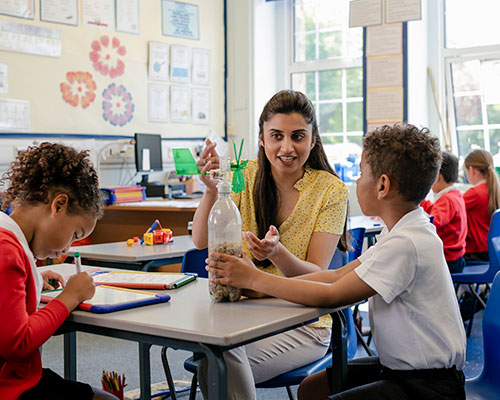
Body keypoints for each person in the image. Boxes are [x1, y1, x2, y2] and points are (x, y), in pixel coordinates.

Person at [206, 124, 466, 400]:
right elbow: (337, 275)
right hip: (403, 370)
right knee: (312, 389)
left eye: (361, 172)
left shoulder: (407, 244)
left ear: (382, 185)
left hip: (429, 385)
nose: (356, 180)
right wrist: (262, 287)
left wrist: (254, 278)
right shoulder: (400, 231)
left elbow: (332, 295)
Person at [192, 90, 349, 399]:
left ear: (313, 140)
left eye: (298, 137)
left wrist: (279, 255)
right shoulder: (243, 174)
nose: (286, 148)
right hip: (243, 311)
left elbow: (317, 273)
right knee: (217, 355)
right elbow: (200, 239)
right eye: (276, 136)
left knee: (218, 360)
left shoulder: (331, 190)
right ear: (262, 138)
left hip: (304, 321)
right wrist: (211, 191)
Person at [0, 143, 117, 400]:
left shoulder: (7, 237)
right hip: (11, 387)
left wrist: (31, 280)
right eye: (75, 234)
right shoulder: (7, 249)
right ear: (58, 205)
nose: (68, 247)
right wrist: (70, 297)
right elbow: (17, 344)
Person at [421, 151, 467, 273]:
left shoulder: (447, 200)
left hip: (449, 260)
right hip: (457, 258)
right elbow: (438, 211)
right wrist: (421, 202)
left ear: (438, 177)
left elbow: (433, 223)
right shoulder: (455, 195)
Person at [463, 149, 500, 261]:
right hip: (492, 250)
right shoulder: (494, 189)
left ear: (472, 170)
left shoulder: (475, 193)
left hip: (476, 251)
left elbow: (454, 208)